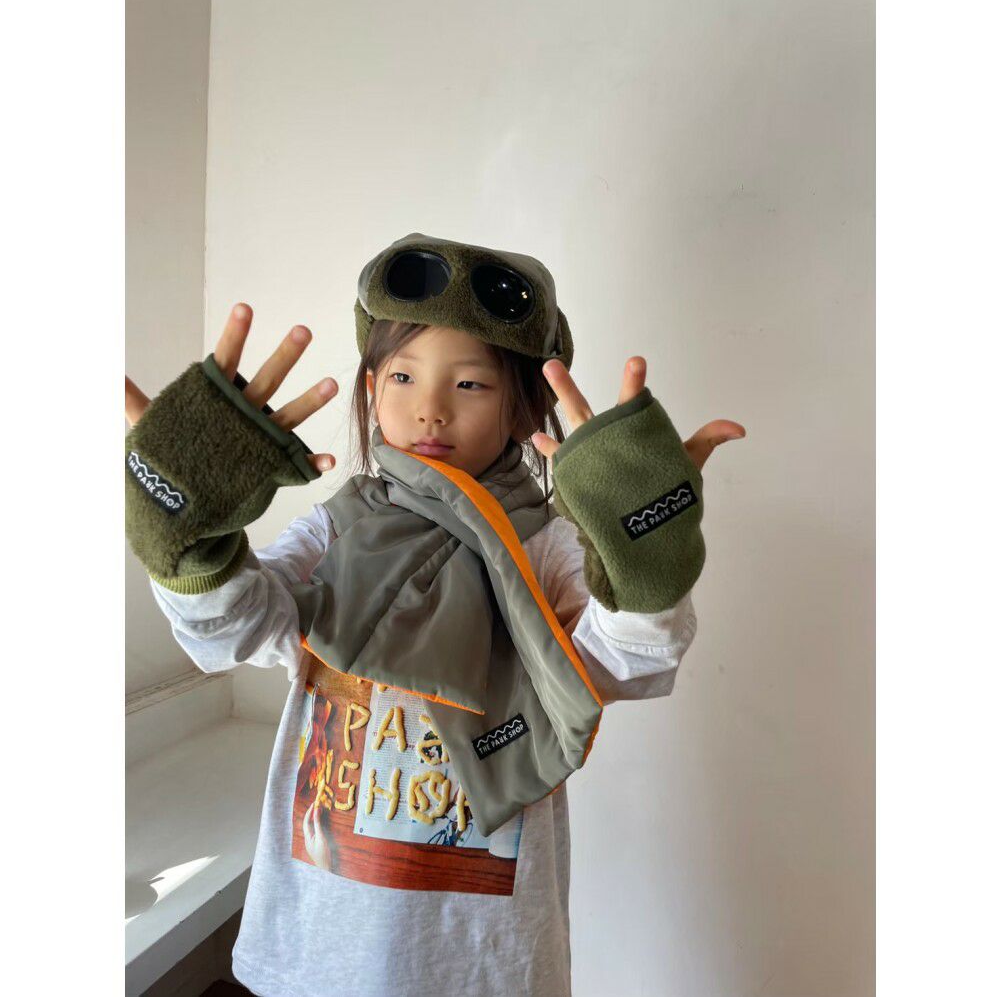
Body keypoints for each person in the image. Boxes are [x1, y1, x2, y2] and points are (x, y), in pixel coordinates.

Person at [124, 233, 745, 997]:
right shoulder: (335, 529)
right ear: (371, 388)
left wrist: (646, 567)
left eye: (471, 383)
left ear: (521, 407)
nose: (430, 408)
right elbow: (232, 629)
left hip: (484, 958)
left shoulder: (547, 547)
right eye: (403, 375)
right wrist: (184, 536)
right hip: (319, 942)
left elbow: (628, 661)